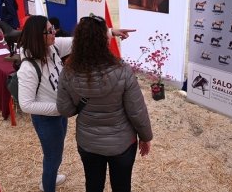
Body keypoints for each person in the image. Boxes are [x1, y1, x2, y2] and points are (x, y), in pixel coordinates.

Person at [17, 15, 134, 192]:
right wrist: (59, 108)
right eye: (49, 31)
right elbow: (26, 104)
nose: (54, 32)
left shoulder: (53, 47)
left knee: (56, 153)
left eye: (53, 28)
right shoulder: (28, 68)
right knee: (52, 157)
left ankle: (52, 175)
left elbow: (80, 40)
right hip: (47, 119)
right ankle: (48, 185)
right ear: (37, 36)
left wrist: (111, 32)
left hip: (60, 112)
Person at [56, 14, 153, 192]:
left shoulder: (68, 72)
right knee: (122, 186)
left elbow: (65, 109)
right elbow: (137, 111)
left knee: (93, 185)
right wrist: (146, 137)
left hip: (88, 143)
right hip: (122, 144)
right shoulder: (122, 70)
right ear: (106, 41)